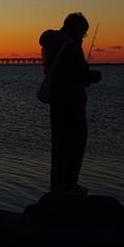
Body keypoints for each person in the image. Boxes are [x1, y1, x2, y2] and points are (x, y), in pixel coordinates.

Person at [39, 13, 102, 195]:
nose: (83, 36)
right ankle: (70, 184)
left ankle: (57, 185)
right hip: (72, 101)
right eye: (83, 32)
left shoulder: (53, 43)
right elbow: (78, 74)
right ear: (75, 27)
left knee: (59, 143)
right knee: (76, 142)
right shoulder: (72, 47)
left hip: (57, 100)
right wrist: (95, 76)